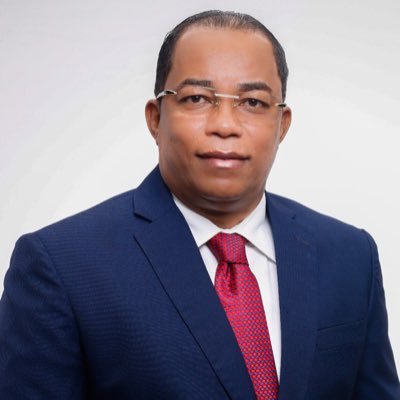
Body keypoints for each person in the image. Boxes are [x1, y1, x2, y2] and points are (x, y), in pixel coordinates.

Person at [0, 10, 399, 400]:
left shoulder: (349, 256)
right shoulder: (62, 267)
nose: (224, 125)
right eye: (196, 98)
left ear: (283, 124)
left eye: (253, 102)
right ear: (156, 118)